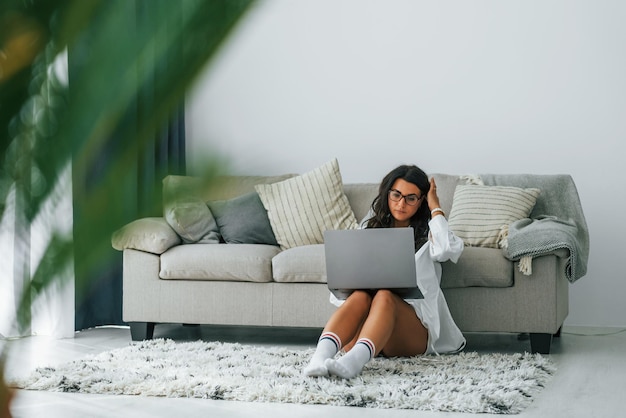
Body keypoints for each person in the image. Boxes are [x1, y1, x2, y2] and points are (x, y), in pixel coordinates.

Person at [304, 164, 466, 379]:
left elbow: (447, 249)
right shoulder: (369, 229)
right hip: (367, 332)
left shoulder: (431, 234)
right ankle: (320, 357)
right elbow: (341, 292)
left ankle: (354, 363)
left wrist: (435, 205)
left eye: (411, 198)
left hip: (411, 332)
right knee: (361, 295)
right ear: (387, 193)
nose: (401, 204)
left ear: (421, 201)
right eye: (396, 195)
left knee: (385, 294)